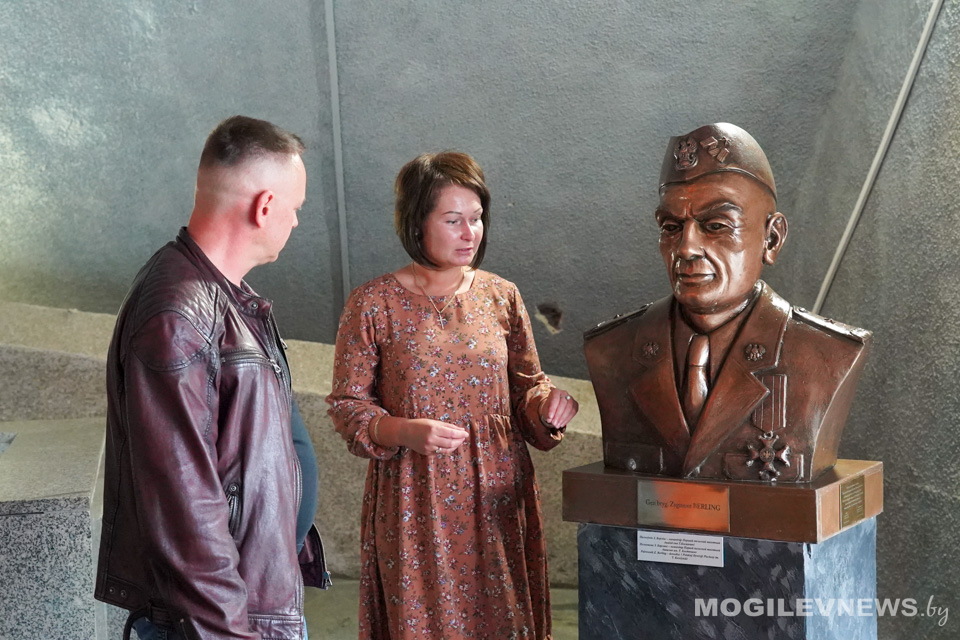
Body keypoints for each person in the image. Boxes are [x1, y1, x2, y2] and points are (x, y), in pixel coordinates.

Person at [95, 115, 329, 640]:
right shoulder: (178, 315)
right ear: (264, 206)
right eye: (295, 208)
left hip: (248, 604)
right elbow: (184, 511)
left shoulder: (224, 295)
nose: (295, 222)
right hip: (221, 624)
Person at [327, 151, 578, 639]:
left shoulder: (501, 296)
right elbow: (347, 405)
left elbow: (528, 388)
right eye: (452, 220)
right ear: (416, 222)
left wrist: (548, 408)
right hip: (414, 494)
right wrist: (402, 430)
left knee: (503, 620)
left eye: (477, 218)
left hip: (498, 492)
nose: (470, 233)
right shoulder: (373, 303)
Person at [584, 122, 872, 483]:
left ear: (771, 239)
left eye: (716, 225)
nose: (686, 248)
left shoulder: (829, 354)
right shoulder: (611, 349)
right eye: (671, 227)